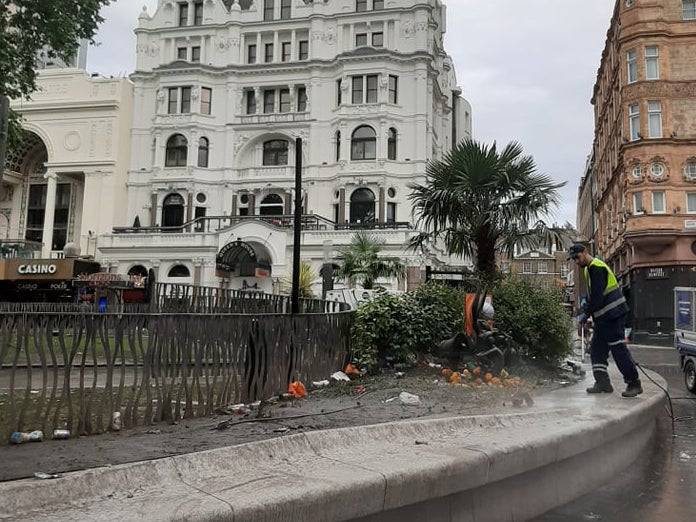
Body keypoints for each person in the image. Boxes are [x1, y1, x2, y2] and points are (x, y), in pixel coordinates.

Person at [568, 243, 642, 397]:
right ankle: (602, 382)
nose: (576, 261)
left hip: (613, 316)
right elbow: (594, 295)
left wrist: (586, 312)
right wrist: (587, 305)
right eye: (574, 259)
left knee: (618, 349)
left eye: (577, 257)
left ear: (585, 252)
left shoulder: (597, 268)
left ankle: (634, 383)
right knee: (597, 350)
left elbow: (597, 297)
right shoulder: (589, 270)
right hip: (604, 318)